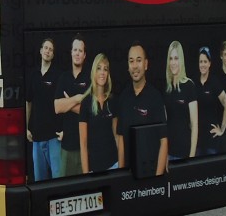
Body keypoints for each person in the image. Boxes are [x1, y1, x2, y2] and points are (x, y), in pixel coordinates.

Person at [116, 42, 169, 176]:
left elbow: (164, 141)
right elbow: (121, 138)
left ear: (146, 64)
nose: (135, 66)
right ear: (128, 66)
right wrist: (121, 174)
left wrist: (158, 178)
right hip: (129, 177)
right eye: (131, 61)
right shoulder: (123, 98)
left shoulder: (155, 97)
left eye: (138, 60)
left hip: (151, 176)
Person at [25, 37, 61, 181]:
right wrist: (26, 127)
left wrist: (63, 129)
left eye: (50, 49)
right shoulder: (33, 75)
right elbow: (28, 102)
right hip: (36, 137)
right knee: (40, 180)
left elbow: (62, 103)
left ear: (53, 55)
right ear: (41, 51)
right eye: (45, 48)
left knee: (57, 178)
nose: (47, 51)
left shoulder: (57, 75)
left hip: (54, 136)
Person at [54, 35, 89, 176]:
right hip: (67, 147)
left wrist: (68, 103)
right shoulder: (64, 78)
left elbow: (92, 112)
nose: (77, 53)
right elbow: (57, 107)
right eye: (75, 50)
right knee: (64, 189)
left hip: (85, 147)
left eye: (80, 50)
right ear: (71, 52)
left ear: (84, 55)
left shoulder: (89, 78)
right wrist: (78, 98)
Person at [80, 53, 119, 173]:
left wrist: (121, 167)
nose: (102, 72)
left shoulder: (112, 101)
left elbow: (117, 136)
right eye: (99, 68)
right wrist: (86, 175)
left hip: (114, 165)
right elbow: (83, 144)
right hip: (94, 170)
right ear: (94, 72)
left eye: (105, 69)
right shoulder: (86, 102)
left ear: (108, 74)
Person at [163, 40, 199, 160]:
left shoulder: (189, 86)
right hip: (169, 153)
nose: (173, 62)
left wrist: (192, 156)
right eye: (171, 58)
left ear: (181, 60)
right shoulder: (167, 88)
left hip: (185, 153)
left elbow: (194, 125)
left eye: (176, 58)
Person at [195, 46, 226, 155]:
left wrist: (221, 130)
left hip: (212, 140)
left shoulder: (214, 82)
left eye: (205, 61)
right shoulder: (194, 83)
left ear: (210, 63)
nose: (202, 64)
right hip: (198, 140)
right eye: (200, 61)